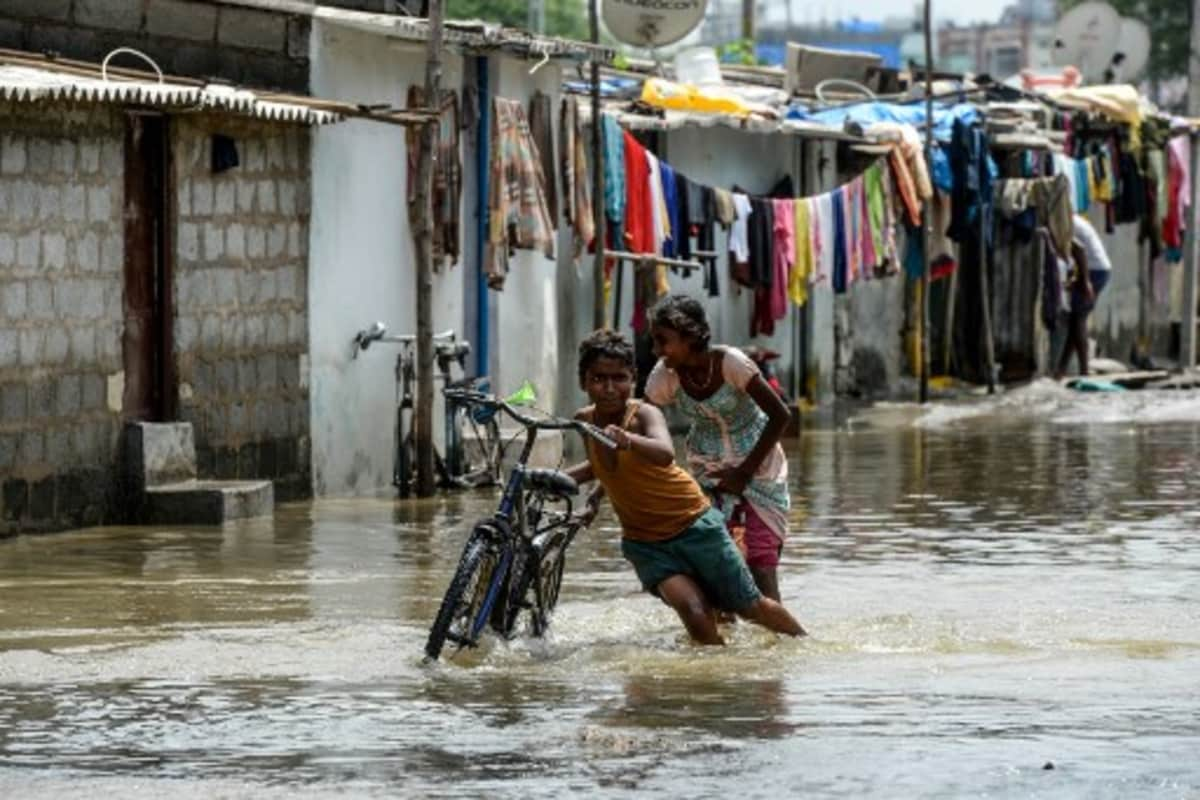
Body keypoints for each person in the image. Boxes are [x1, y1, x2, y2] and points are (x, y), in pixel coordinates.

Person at [567, 329, 806, 645]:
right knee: (694, 612)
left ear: (633, 380)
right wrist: (572, 488)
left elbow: (665, 453)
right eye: (598, 379)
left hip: (694, 527)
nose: (610, 388)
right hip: (645, 542)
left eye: (619, 378)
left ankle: (803, 645)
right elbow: (601, 467)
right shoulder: (584, 421)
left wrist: (629, 440)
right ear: (583, 381)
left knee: (750, 606)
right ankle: (715, 686)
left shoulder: (644, 414)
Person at [643, 295, 792, 602]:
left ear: (690, 336)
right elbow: (641, 424)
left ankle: (780, 645)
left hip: (760, 470)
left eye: (663, 341)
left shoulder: (730, 363)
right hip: (707, 472)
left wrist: (744, 472)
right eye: (654, 341)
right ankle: (721, 645)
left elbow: (781, 415)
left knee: (761, 566)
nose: (656, 351)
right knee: (711, 568)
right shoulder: (664, 377)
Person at [1055, 214, 1112, 379]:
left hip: (1095, 270)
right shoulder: (1072, 219)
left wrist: (1085, 280)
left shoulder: (1062, 220)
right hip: (1097, 268)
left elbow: (1079, 250)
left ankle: (1082, 370)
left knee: (1078, 319)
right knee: (1076, 320)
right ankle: (1063, 369)